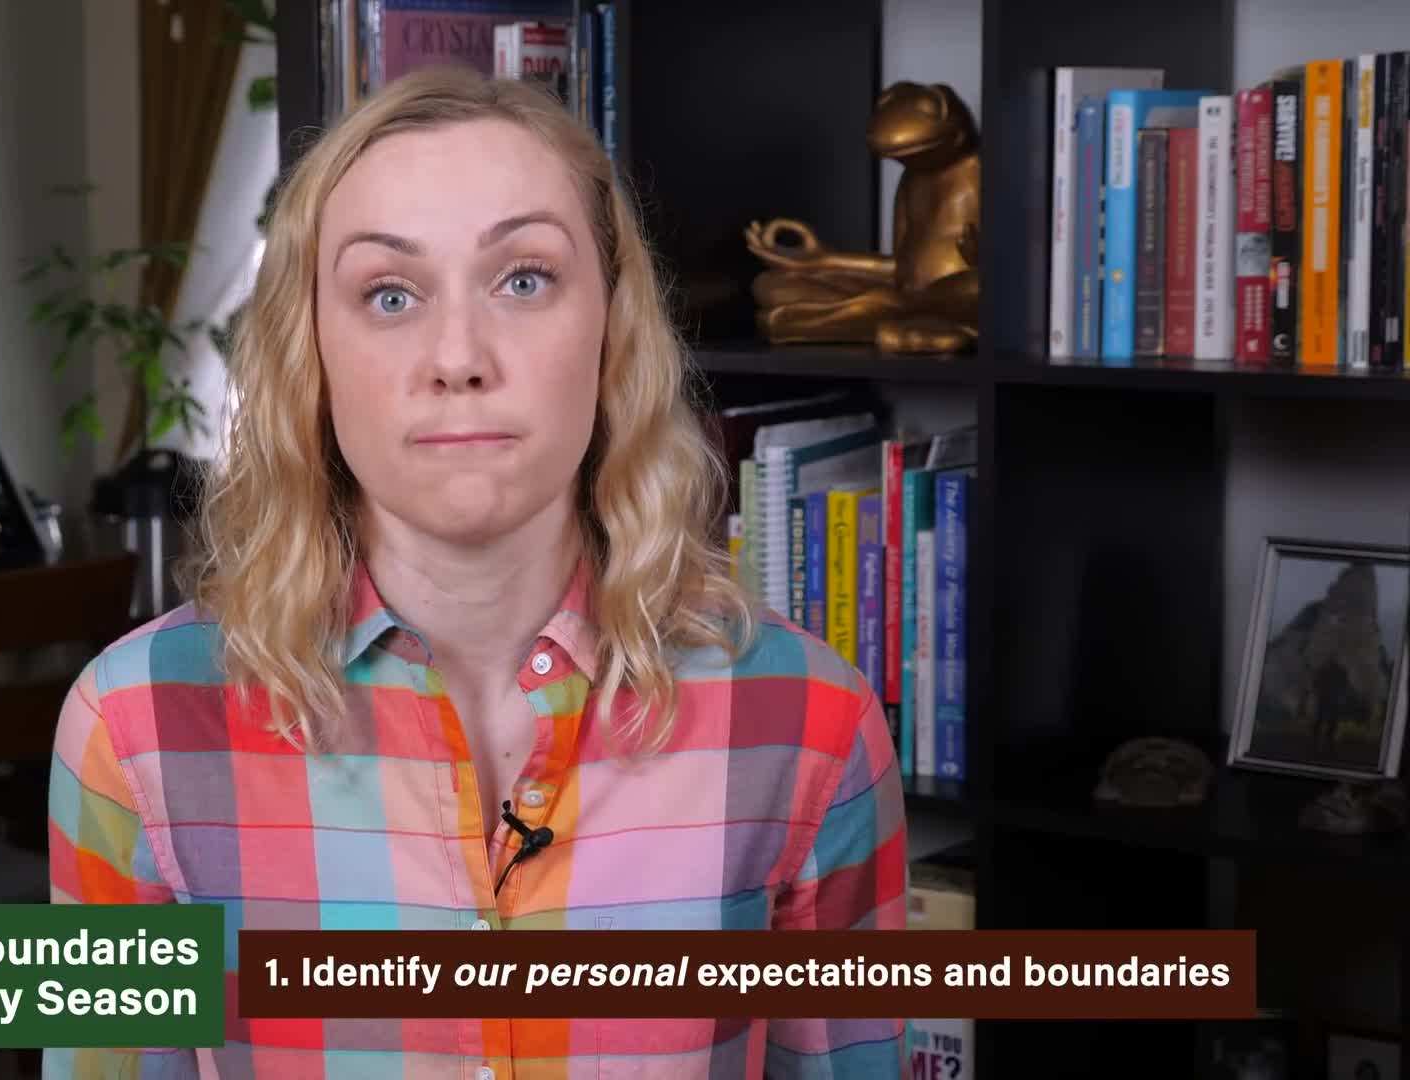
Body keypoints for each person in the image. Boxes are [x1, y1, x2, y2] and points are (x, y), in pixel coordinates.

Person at [47, 63, 907, 1078]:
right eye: (391, 293)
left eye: (524, 279)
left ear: (612, 328)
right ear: (310, 353)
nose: (457, 355)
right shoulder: (135, 725)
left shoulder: (810, 720)